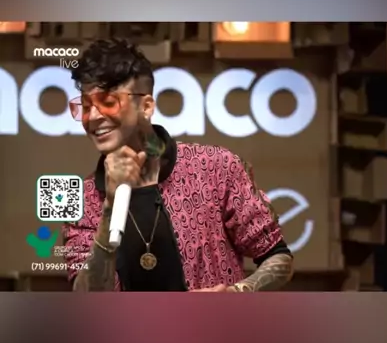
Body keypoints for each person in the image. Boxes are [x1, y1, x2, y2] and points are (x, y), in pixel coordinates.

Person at [62, 39, 294, 291]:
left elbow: (278, 256)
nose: (93, 117)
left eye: (108, 102)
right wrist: (110, 207)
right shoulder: (82, 199)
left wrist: (237, 292)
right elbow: (86, 296)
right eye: (85, 106)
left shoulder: (214, 168)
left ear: (146, 106)